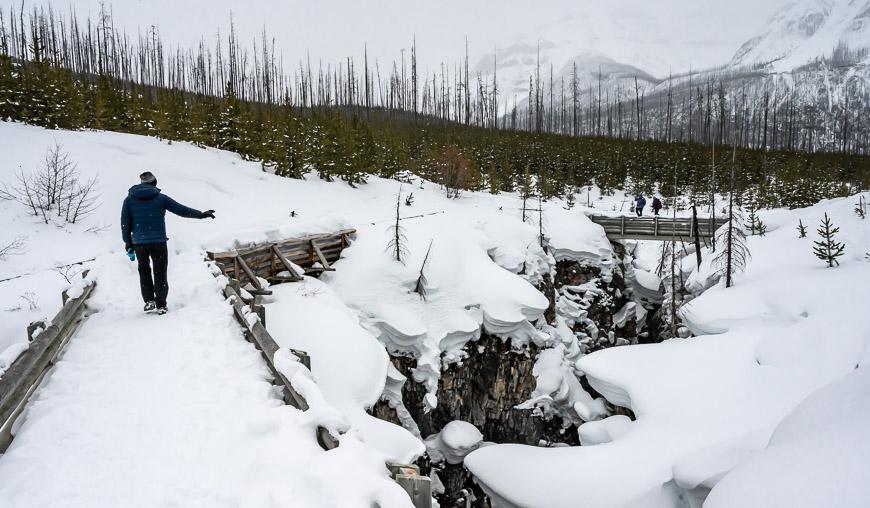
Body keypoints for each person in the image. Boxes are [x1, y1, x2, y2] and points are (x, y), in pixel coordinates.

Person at [121, 171, 215, 314]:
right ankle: (161, 304)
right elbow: (181, 210)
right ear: (154, 184)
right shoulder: (160, 198)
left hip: (139, 243)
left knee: (144, 271)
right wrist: (201, 214)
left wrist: (128, 243)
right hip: (158, 242)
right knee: (160, 272)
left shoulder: (129, 200)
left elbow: (125, 223)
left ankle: (149, 302)